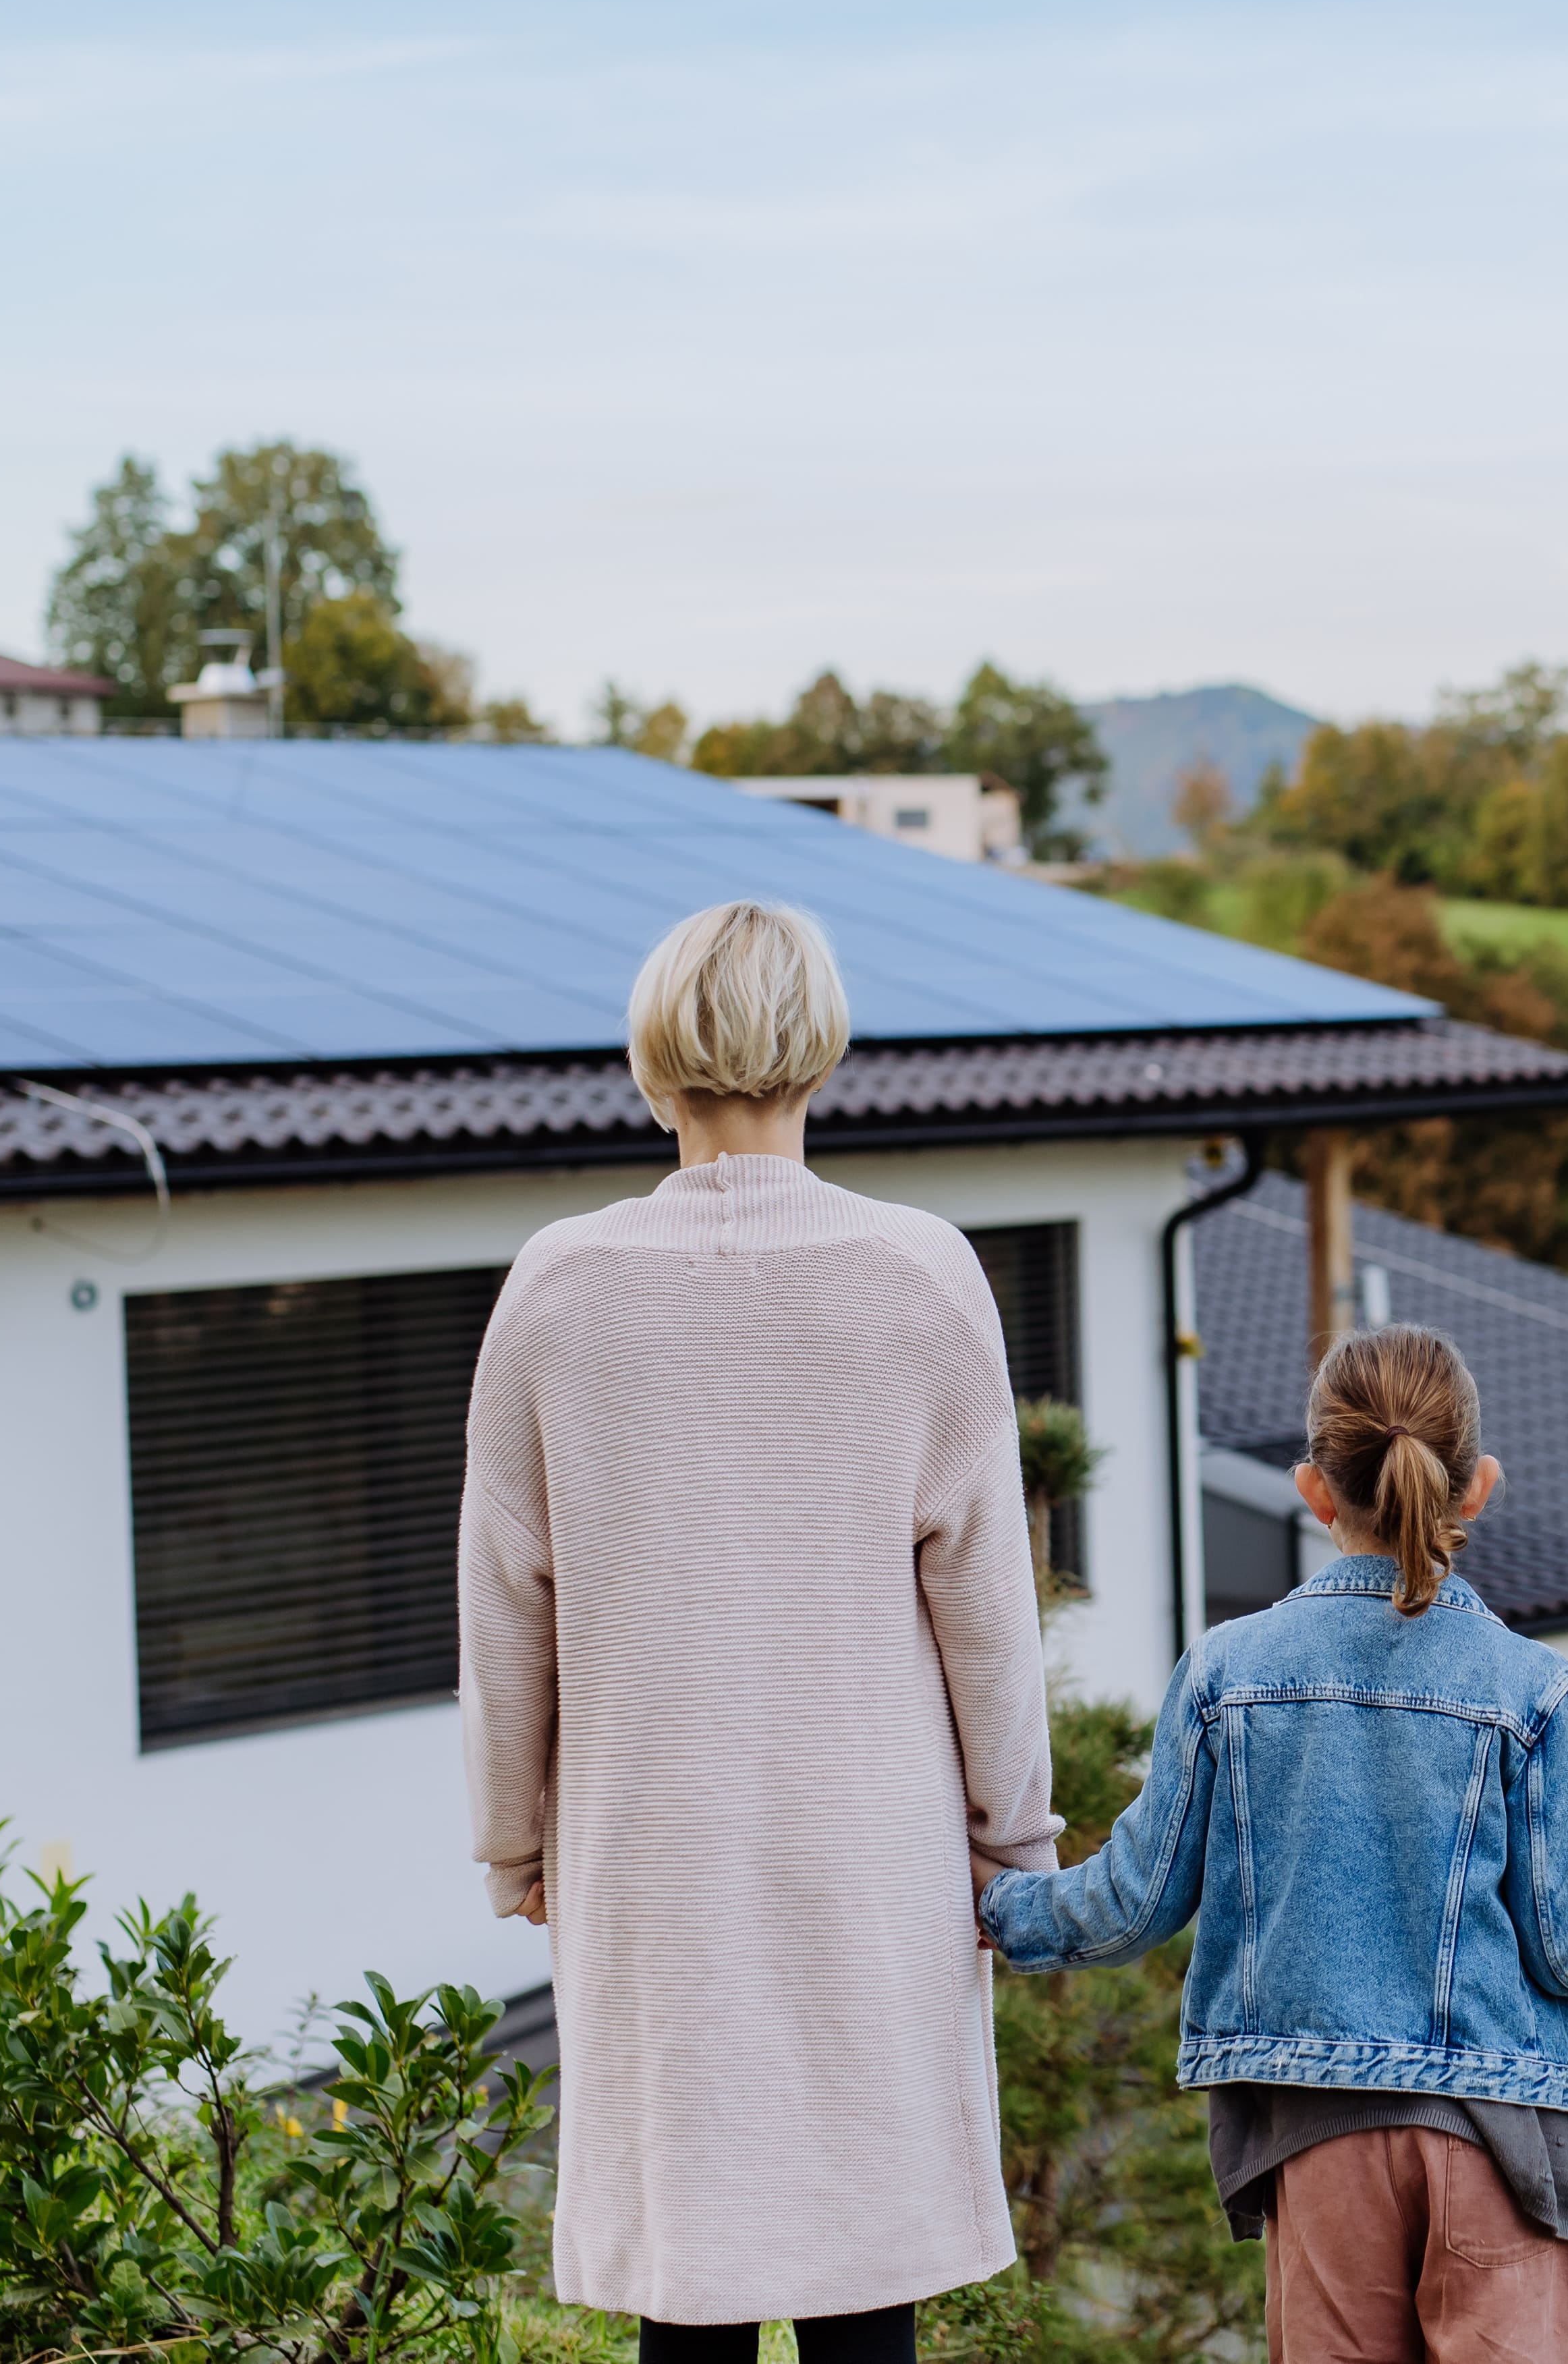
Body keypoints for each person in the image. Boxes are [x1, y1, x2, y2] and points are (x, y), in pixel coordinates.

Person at [457, 899, 1061, 2364]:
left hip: (649, 1846)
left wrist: (512, 1839)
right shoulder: (921, 1275)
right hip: (874, 1849)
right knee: (869, 2287)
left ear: (652, 1061)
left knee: (693, 2279)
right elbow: (985, 1604)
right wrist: (1014, 1834)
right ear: (822, 1050)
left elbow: (504, 1593)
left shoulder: (556, 1285)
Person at [982, 1323, 1568, 2362]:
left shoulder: (1227, 1673)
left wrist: (992, 1902)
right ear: (1478, 1486)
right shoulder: (1542, 1694)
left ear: (1316, 1491)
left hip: (1321, 2145)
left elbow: (1127, 1904)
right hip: (1505, 2138)